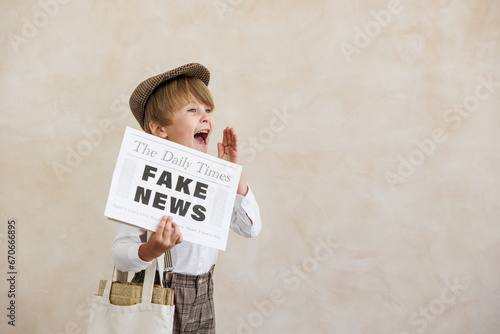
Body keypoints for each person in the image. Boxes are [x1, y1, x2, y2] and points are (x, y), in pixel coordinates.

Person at [111, 63, 262, 334]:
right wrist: (151, 250)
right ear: (159, 129)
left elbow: (250, 228)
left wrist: (234, 173)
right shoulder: (145, 181)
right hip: (160, 293)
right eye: (192, 110)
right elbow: (120, 254)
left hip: (204, 292)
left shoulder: (212, 178)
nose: (205, 117)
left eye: (207, 110)